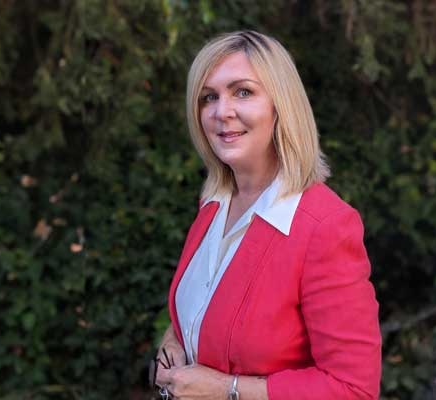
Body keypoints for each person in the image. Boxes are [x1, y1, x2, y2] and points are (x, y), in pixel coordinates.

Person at [153, 30, 381, 400]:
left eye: (243, 91)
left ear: (281, 105)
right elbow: (192, 316)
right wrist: (173, 347)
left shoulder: (324, 227)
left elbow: (353, 390)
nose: (221, 111)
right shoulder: (213, 206)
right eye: (208, 97)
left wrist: (226, 390)